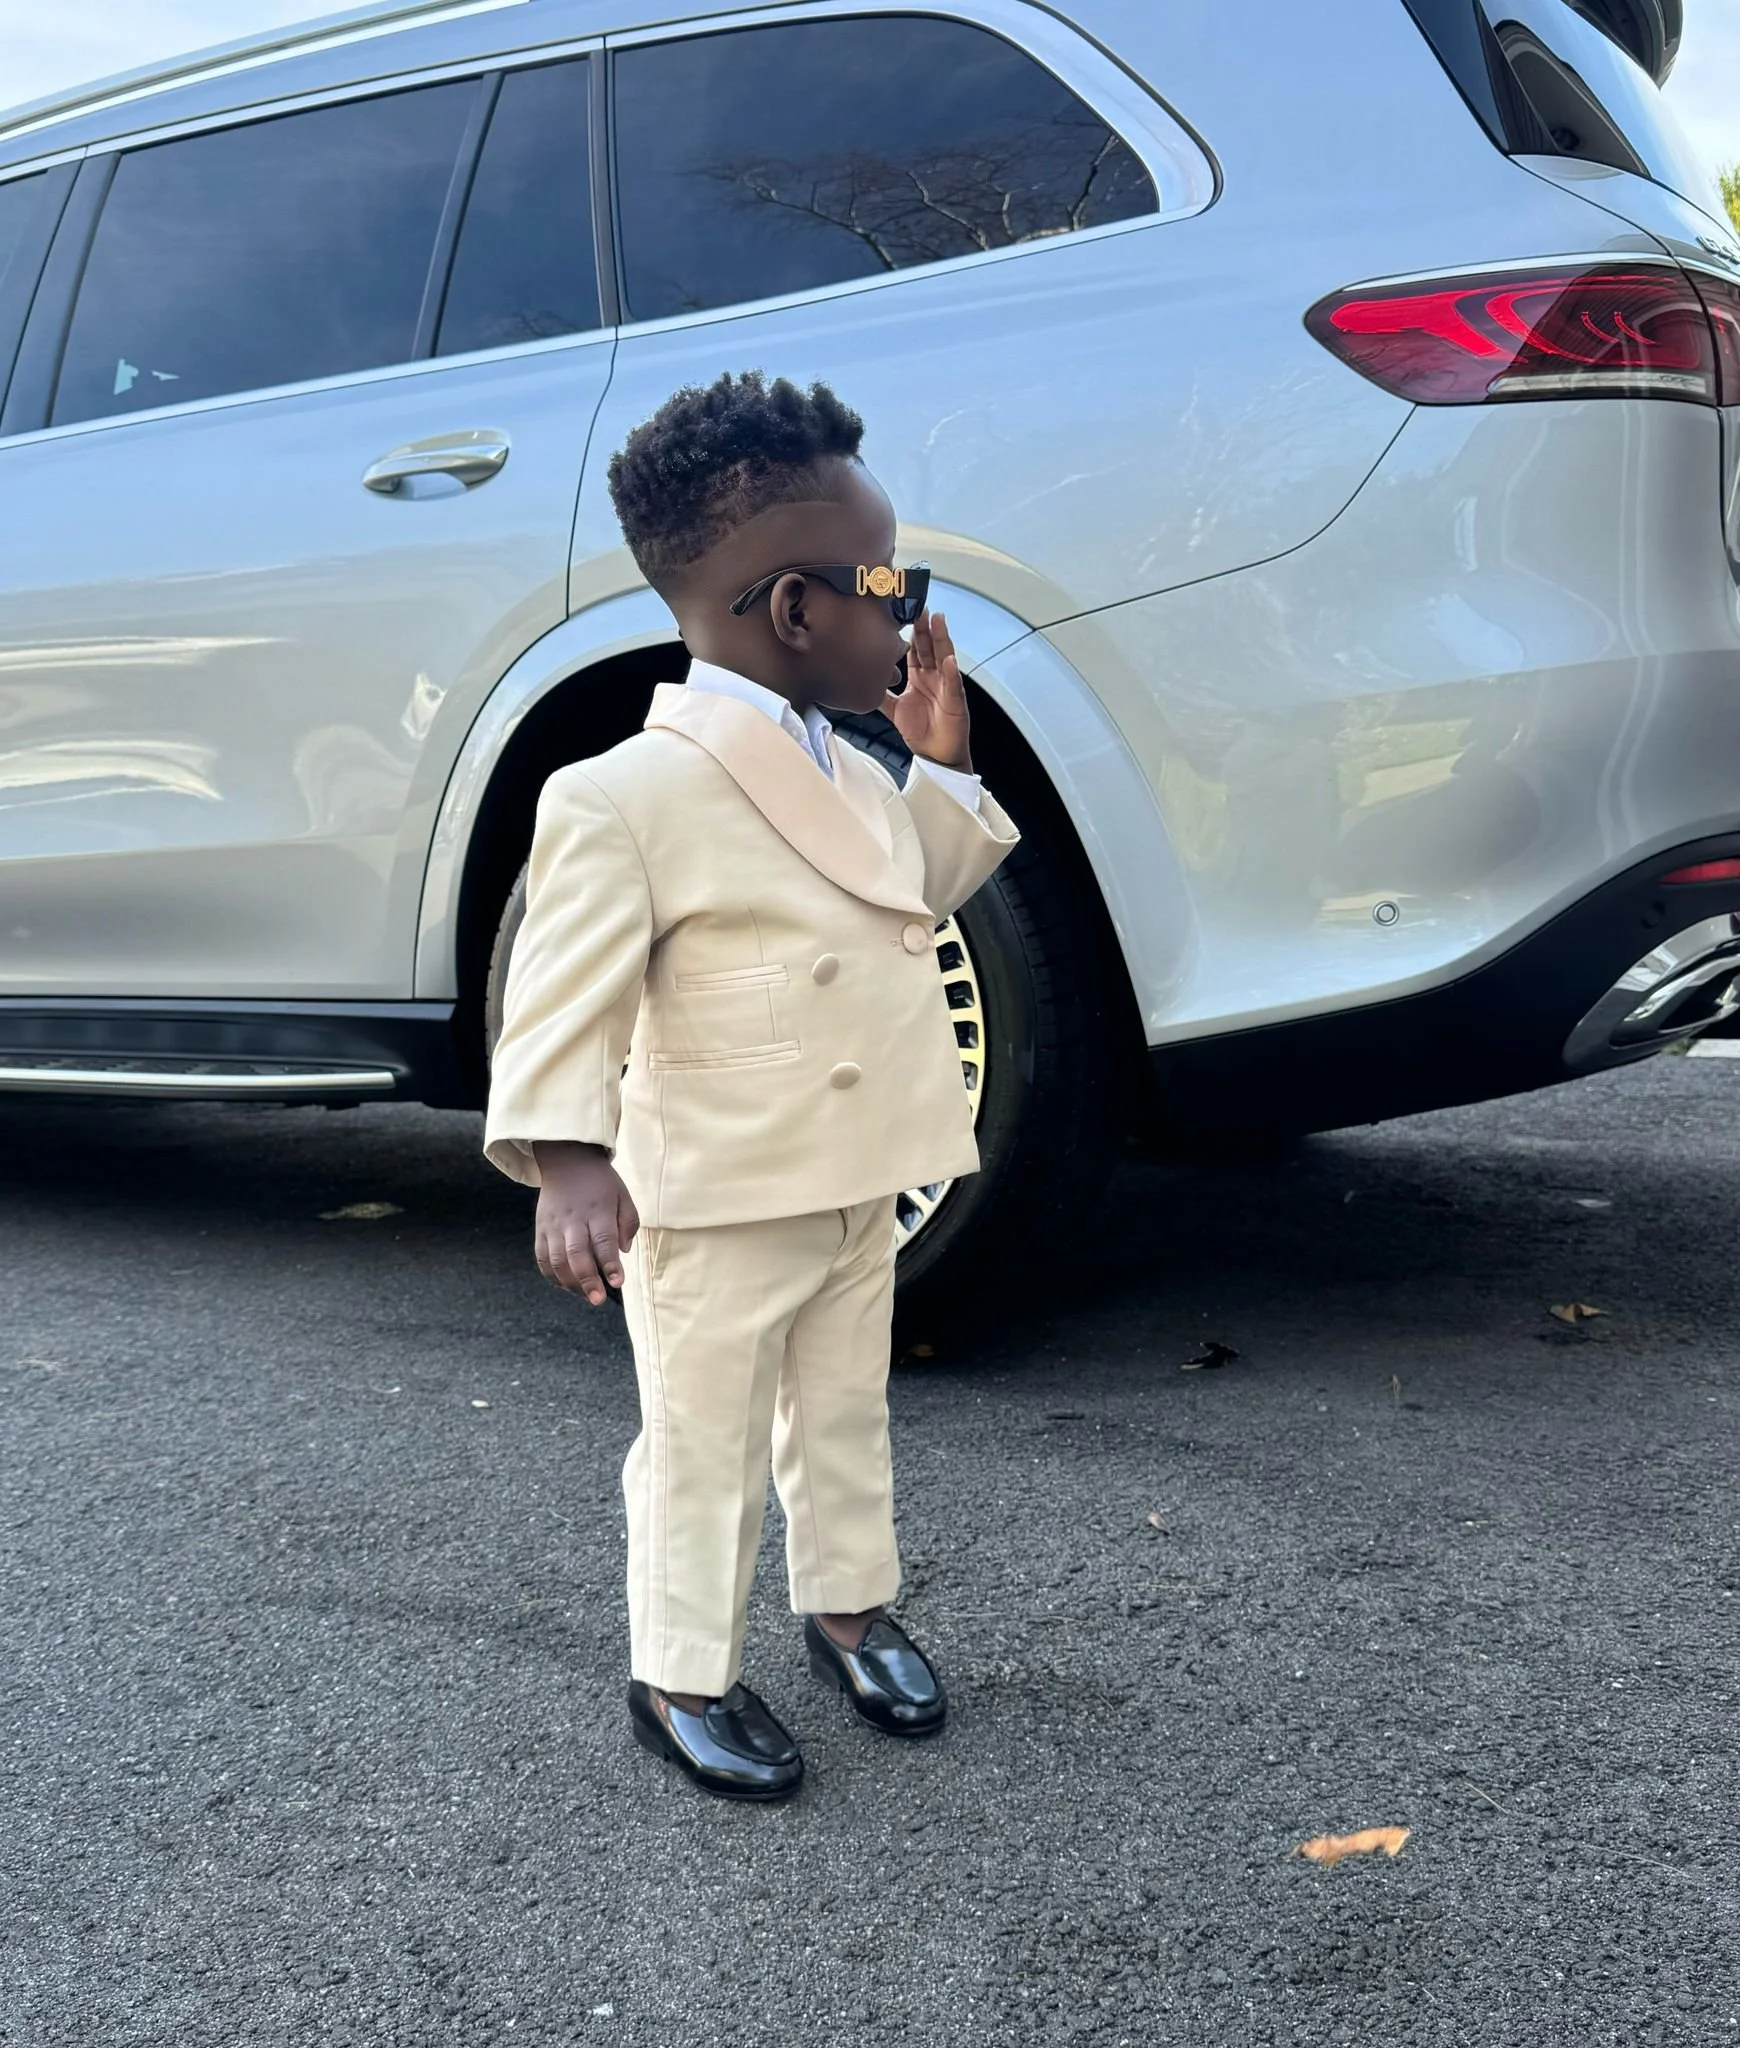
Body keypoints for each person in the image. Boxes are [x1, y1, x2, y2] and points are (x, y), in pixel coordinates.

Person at [482, 370, 1019, 1800]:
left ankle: (847, 1602)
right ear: (794, 610)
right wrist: (569, 1161)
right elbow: (560, 998)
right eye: (888, 583)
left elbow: (903, 904)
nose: (907, 613)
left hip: (858, 1176)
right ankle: (678, 1675)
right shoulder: (623, 795)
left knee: (843, 1407)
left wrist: (943, 776)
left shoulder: (850, 770)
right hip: (716, 1195)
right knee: (703, 1444)